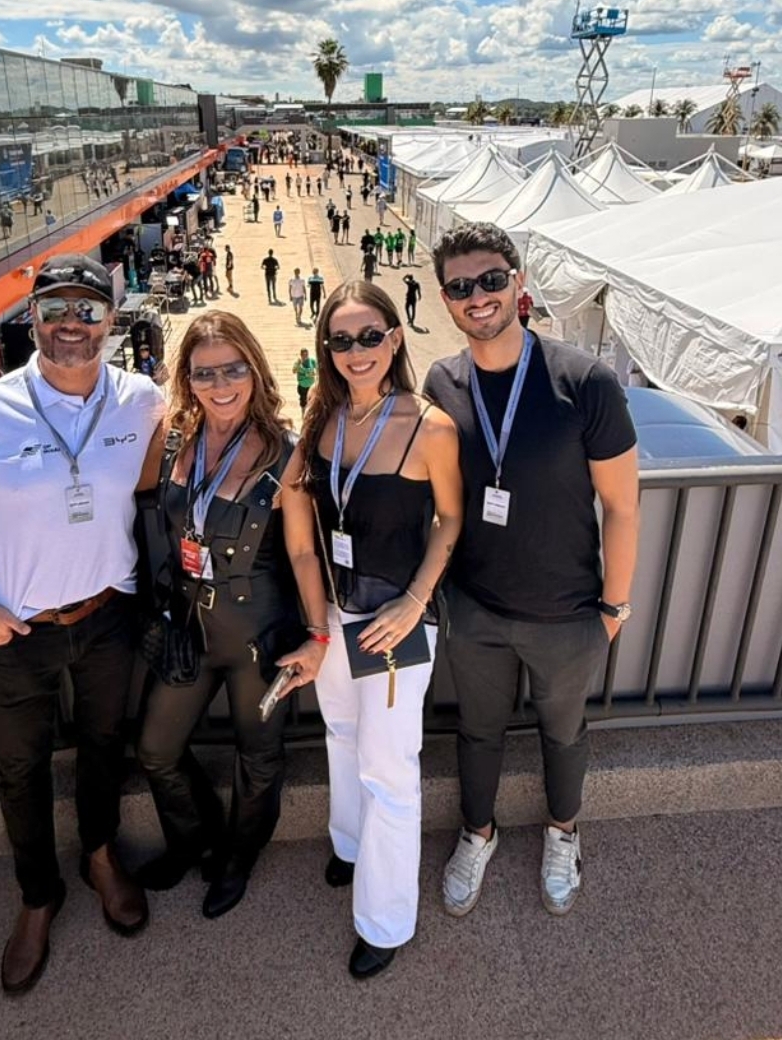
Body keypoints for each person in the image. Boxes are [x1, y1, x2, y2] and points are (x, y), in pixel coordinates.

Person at [0, 255, 164, 994]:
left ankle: (99, 856)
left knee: (103, 746)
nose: (72, 323)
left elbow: (153, 484)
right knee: (21, 768)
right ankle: (38, 896)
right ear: (30, 318)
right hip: (17, 630)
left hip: (108, 615)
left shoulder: (141, 400)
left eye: (87, 310)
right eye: (55, 308)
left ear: (111, 321)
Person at [422, 223, 639, 921]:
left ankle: (562, 832)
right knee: (477, 731)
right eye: (460, 286)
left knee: (564, 733)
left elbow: (622, 507)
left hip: (568, 614)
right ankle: (477, 833)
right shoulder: (442, 381)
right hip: (475, 609)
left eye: (491, 279)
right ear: (445, 299)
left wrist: (613, 609)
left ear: (518, 282)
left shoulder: (586, 381)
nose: (477, 296)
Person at [278, 281, 463, 979]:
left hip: (395, 622)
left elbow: (451, 519)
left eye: (369, 336)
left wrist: (416, 600)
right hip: (334, 616)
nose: (356, 351)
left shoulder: (429, 426)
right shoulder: (323, 418)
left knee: (389, 770)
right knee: (341, 734)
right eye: (341, 340)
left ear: (395, 337)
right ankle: (351, 845)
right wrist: (317, 620)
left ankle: (386, 919)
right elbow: (296, 502)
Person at [135, 311, 317, 919]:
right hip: (189, 626)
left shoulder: (285, 453)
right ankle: (193, 837)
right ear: (187, 378)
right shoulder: (171, 439)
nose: (220, 385)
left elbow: (302, 552)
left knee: (258, 755)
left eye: (234, 369)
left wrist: (318, 635)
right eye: (204, 372)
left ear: (255, 371)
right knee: (155, 749)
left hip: (258, 635)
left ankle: (239, 857)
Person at [292, 347, 317, 415]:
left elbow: (317, 369)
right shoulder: (298, 362)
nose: (305, 356)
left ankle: (311, 414)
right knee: (303, 401)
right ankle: (303, 414)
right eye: (303, 355)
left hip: (311, 385)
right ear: (301, 355)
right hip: (302, 386)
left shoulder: (311, 361)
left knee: (312, 400)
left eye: (306, 354)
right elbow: (294, 371)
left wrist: (314, 374)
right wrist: (298, 366)